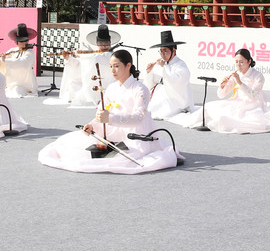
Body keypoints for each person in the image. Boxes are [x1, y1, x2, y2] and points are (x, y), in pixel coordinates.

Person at [38, 49, 181, 174]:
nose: (113, 70)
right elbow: (103, 112)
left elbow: (138, 117)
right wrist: (92, 125)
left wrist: (111, 118)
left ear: (128, 65)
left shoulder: (140, 89)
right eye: (111, 66)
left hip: (135, 132)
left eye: (117, 66)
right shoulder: (112, 88)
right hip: (110, 129)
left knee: (122, 158)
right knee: (71, 146)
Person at [169, 48, 270, 134]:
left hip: (254, 103)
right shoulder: (236, 74)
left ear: (249, 61)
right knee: (209, 107)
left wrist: (240, 82)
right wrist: (223, 85)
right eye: (236, 62)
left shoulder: (258, 76)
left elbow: (254, 96)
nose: (238, 65)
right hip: (236, 101)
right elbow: (221, 95)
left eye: (241, 62)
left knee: (235, 118)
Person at [48, 24, 120, 107]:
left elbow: (96, 58)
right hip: (94, 85)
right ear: (97, 43)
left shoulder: (112, 55)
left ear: (110, 43)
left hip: (109, 84)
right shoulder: (94, 54)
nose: (104, 46)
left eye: (106, 43)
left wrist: (79, 55)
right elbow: (80, 64)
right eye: (101, 43)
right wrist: (69, 58)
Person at [144, 30, 195, 120]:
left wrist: (164, 68)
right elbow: (150, 83)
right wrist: (150, 72)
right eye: (161, 51)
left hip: (175, 100)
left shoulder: (181, 65)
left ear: (173, 51)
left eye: (165, 51)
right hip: (160, 97)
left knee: (163, 112)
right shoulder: (161, 64)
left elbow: (176, 82)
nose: (162, 54)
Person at [0, 23, 37, 98]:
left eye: (25, 41)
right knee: (13, 90)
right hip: (14, 78)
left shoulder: (30, 52)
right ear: (16, 42)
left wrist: (6, 61)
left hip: (26, 79)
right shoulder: (13, 50)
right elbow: (3, 59)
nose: (24, 44)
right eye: (21, 42)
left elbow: (23, 62)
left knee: (18, 90)